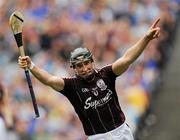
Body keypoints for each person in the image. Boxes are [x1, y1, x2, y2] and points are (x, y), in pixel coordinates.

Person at [18, 18, 160, 140]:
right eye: (79, 65)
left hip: (121, 133)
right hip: (97, 137)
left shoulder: (106, 74)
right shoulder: (71, 85)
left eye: (86, 63)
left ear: (92, 62)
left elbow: (127, 59)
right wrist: (31, 65)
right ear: (74, 68)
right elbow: (49, 79)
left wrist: (146, 38)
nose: (84, 68)